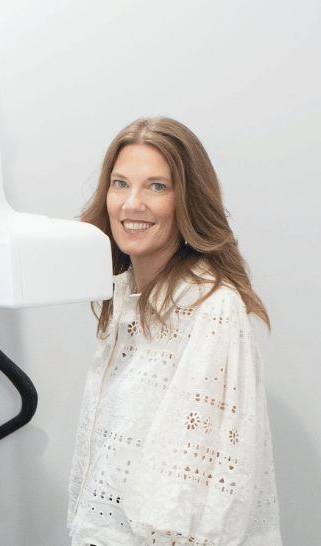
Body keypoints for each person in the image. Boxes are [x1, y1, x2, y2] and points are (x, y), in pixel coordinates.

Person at [67, 118, 282, 546]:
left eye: (157, 187)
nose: (132, 204)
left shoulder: (210, 307)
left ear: (188, 200)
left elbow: (202, 499)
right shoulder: (124, 296)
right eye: (120, 183)